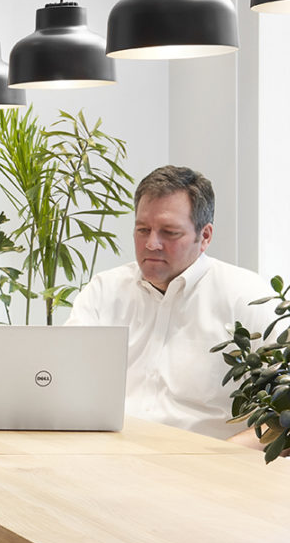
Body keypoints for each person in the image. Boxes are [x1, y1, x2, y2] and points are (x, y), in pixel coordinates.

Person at [68, 165, 273, 440]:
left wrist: (231, 455)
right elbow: (65, 383)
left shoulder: (247, 296)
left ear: (205, 237)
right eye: (143, 230)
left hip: (205, 465)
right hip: (111, 456)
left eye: (169, 232)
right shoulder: (104, 291)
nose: (152, 243)